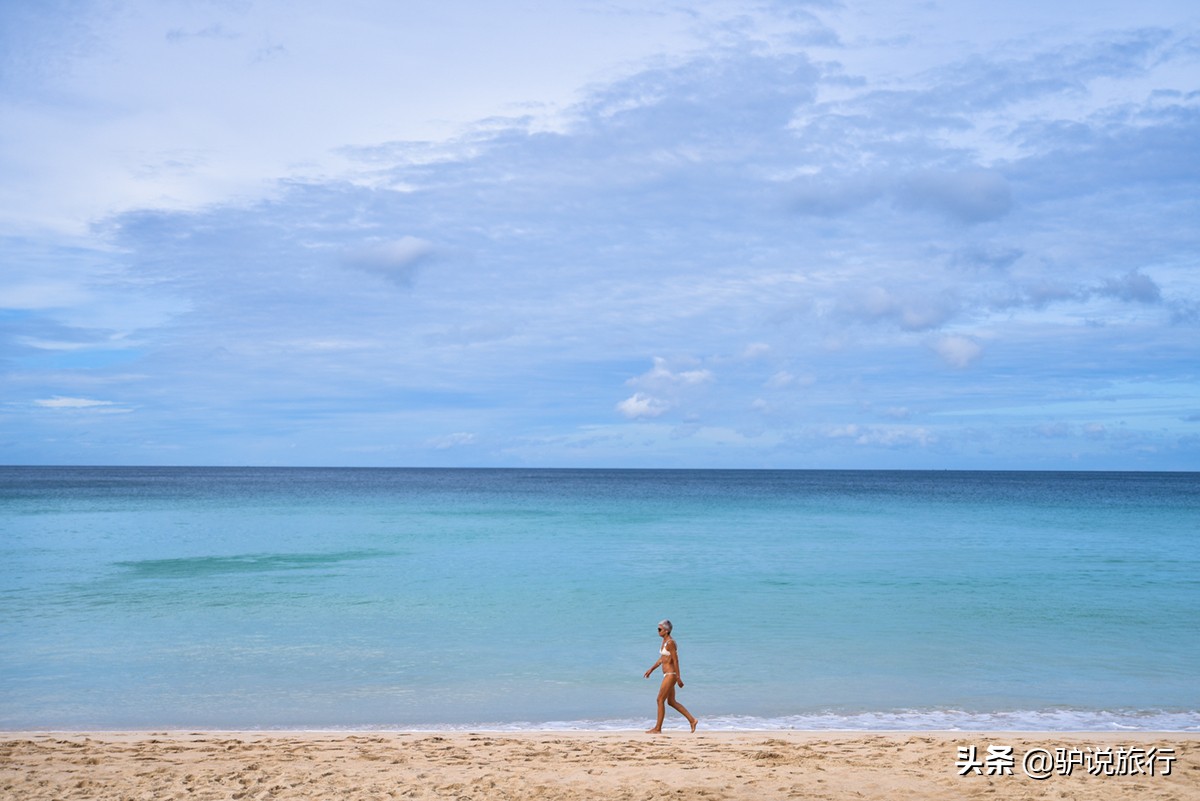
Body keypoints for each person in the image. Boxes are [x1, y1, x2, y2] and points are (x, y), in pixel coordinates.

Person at [643, 618, 698, 733]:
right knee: (671, 701)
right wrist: (651, 669)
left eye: (660, 629)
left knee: (660, 700)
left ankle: (658, 728)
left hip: (671, 675)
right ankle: (692, 720)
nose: (658, 631)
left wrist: (678, 677)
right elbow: (662, 659)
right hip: (667, 675)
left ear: (666, 631)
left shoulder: (671, 643)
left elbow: (676, 660)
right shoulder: (664, 642)